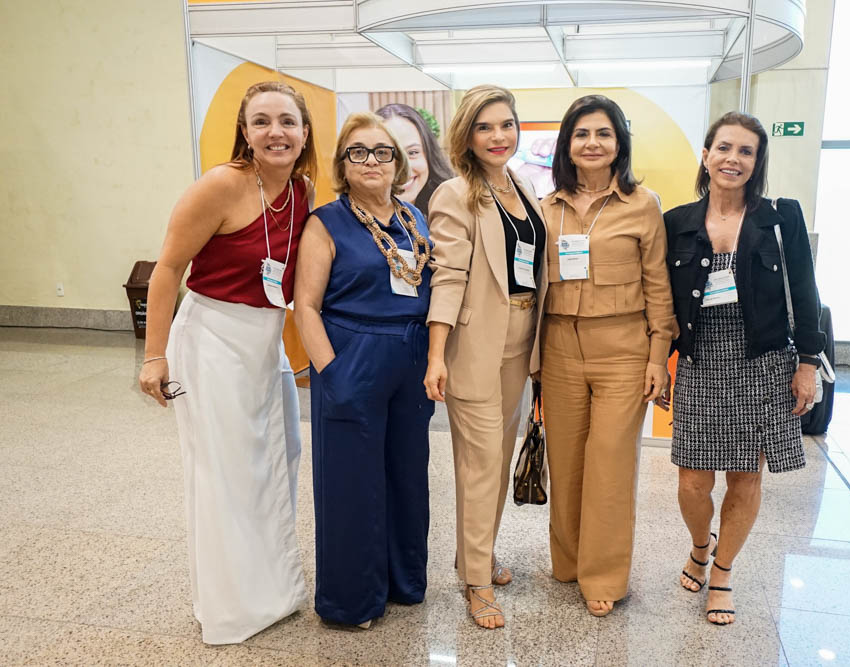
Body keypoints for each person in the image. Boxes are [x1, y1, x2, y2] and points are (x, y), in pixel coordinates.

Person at [137, 81, 316, 644]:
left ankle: (274, 587)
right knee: (225, 473)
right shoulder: (220, 185)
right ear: (244, 131)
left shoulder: (303, 190)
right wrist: (154, 357)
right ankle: (233, 605)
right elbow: (166, 271)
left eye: (287, 121)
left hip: (265, 343)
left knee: (277, 457)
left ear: (304, 132)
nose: (275, 132)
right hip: (211, 339)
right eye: (261, 121)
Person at [661, 111, 825, 626]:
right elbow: (661, 300)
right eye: (724, 148)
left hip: (763, 361)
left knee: (745, 477)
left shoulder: (780, 218)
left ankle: (724, 570)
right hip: (701, 360)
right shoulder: (678, 222)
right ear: (706, 155)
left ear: (757, 163)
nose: (733, 159)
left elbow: (805, 292)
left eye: (746, 151)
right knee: (691, 481)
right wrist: (657, 361)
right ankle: (698, 545)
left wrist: (808, 364)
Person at [294, 112, 435, 629]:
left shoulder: (412, 220)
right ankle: (352, 600)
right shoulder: (326, 223)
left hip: (410, 359)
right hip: (352, 355)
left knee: (405, 476)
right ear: (343, 164)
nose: (371, 160)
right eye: (358, 152)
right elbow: (305, 306)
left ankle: (402, 581)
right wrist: (331, 374)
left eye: (382, 151)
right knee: (352, 483)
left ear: (398, 164)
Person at [539, 95, 678, 618]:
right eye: (581, 134)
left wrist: (656, 355)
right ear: (567, 146)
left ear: (619, 143)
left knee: (610, 465)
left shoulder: (644, 204)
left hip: (624, 351)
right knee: (567, 460)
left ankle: (604, 575)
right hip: (558, 347)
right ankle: (569, 561)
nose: (592, 143)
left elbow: (658, 284)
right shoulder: (545, 208)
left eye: (603, 133)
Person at [423, 85, 547, 629]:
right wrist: (436, 355)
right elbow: (447, 278)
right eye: (485, 127)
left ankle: (479, 552)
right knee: (478, 467)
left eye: (506, 125)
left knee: (497, 459)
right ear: (466, 136)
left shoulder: (521, 186)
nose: (498, 136)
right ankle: (475, 583)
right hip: (473, 344)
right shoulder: (456, 193)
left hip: (520, 340)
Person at [375, 103, 454, 216]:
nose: (403, 167)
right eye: (386, 154)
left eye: (412, 152)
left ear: (428, 155)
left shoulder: (450, 212)